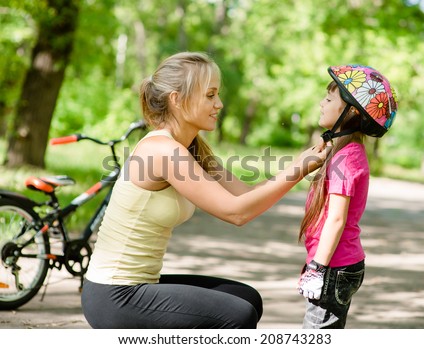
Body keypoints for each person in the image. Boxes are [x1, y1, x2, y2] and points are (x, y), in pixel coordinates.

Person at [81, 51, 329, 329]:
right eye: (210, 95)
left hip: (139, 285)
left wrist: (300, 164)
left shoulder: (191, 147)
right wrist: (298, 170)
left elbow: (244, 195)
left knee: (247, 298)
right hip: (114, 294)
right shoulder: (161, 150)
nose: (219, 104)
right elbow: (236, 214)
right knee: (237, 314)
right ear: (176, 100)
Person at [297, 64, 398, 329]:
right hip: (334, 264)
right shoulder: (343, 152)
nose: (321, 103)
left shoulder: (348, 157)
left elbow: (336, 219)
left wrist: (317, 267)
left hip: (333, 266)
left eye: (329, 99)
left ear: (351, 111)